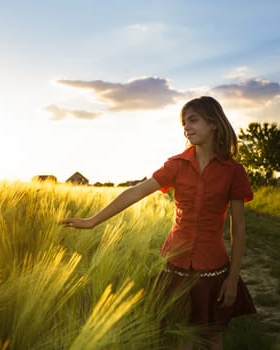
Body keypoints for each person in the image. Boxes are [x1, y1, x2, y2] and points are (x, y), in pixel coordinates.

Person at [60, 96, 256, 350]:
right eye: (184, 123)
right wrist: (92, 221)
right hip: (175, 266)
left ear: (214, 123)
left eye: (193, 120)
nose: (187, 127)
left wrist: (232, 279)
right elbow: (135, 192)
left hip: (213, 269)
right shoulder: (177, 165)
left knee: (213, 338)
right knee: (183, 338)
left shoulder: (233, 171)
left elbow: (238, 230)